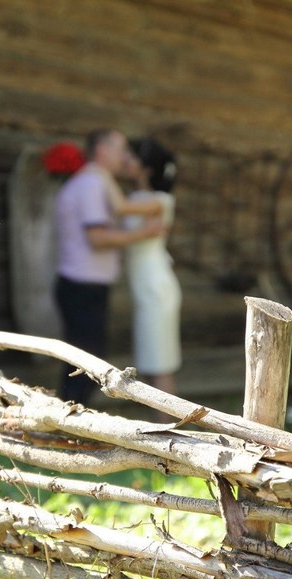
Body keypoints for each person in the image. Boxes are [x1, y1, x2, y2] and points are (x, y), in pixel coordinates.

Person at [54, 128, 166, 404]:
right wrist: (145, 233)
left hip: (84, 285)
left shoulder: (94, 181)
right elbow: (98, 238)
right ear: (102, 151)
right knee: (85, 364)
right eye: (121, 149)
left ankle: (67, 418)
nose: (125, 156)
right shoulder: (92, 184)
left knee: (82, 361)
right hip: (83, 286)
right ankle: (68, 419)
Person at [122, 138, 182, 401]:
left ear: (146, 169)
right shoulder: (136, 197)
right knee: (149, 362)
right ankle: (163, 420)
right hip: (144, 287)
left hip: (156, 288)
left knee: (160, 363)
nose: (126, 160)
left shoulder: (161, 200)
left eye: (132, 157)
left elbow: (118, 207)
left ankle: (171, 421)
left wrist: (99, 176)